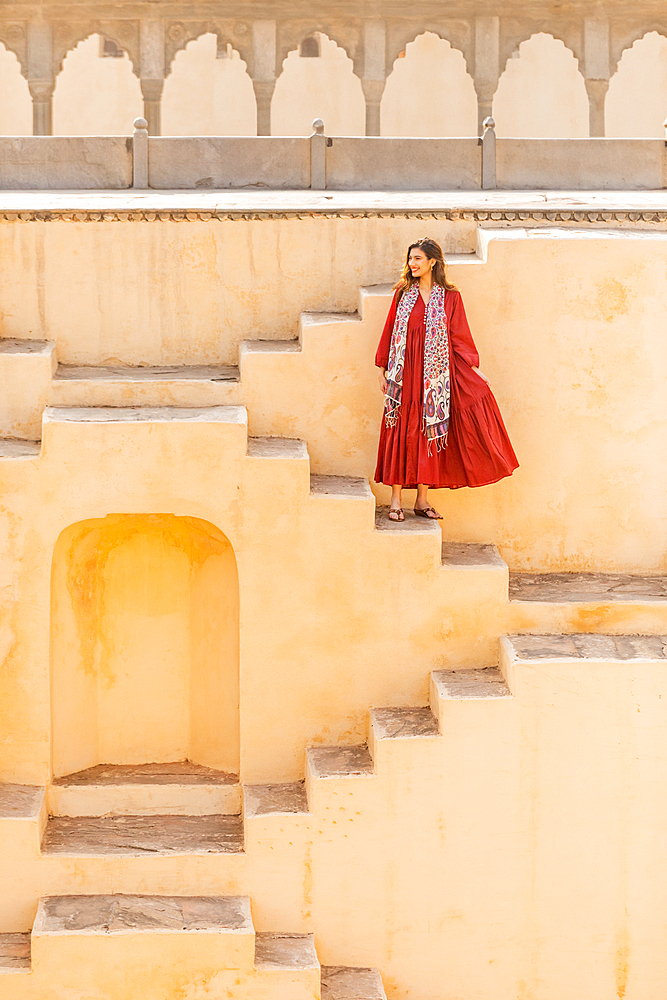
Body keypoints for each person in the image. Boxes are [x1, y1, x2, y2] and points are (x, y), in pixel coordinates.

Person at [375, 237, 518, 521]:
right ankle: (395, 500)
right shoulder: (403, 294)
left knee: (429, 431)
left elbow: (459, 336)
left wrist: (473, 369)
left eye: (417, 259)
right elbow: (390, 329)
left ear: (433, 262)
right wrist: (382, 370)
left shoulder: (450, 297)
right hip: (404, 375)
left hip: (434, 379)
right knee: (401, 429)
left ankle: (422, 500)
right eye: (410, 259)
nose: (412, 264)